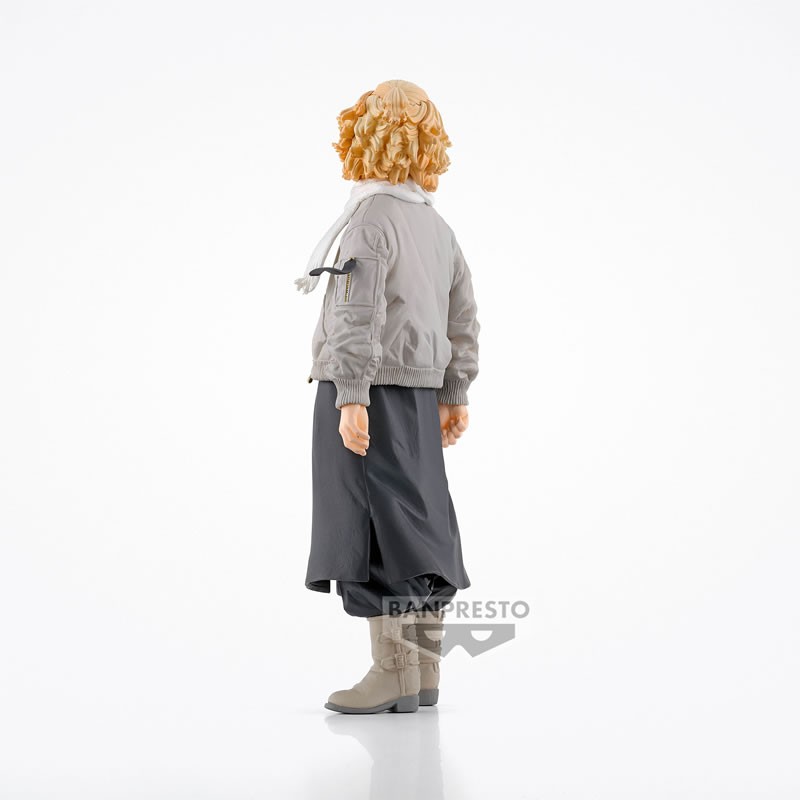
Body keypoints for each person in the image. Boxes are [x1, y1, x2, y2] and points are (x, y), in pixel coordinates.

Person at [295, 79, 481, 714]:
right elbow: (463, 314)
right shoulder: (435, 224)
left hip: (370, 390)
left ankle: (392, 674)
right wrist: (454, 390)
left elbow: (356, 311)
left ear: (365, 133)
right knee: (420, 521)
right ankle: (422, 675)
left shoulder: (370, 218)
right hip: (420, 397)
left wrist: (350, 394)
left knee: (373, 522)